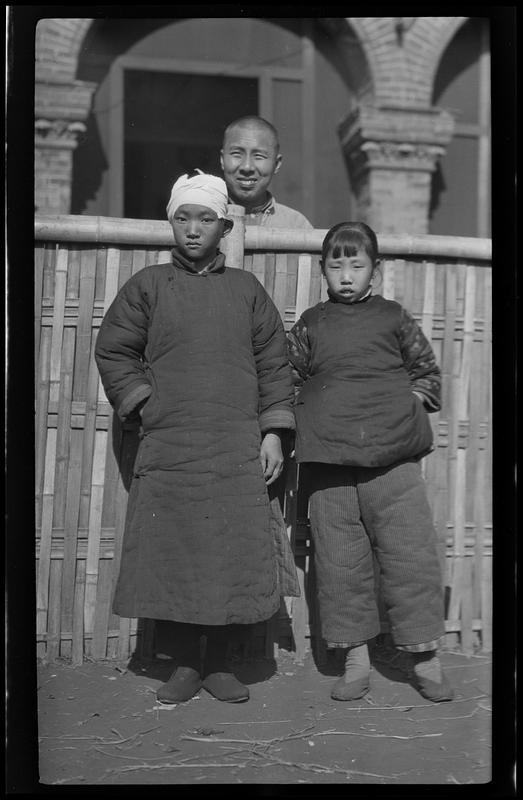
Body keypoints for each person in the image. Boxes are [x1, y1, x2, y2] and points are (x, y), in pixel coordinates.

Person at [95, 171, 298, 705]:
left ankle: (223, 665)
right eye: (183, 218)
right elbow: (114, 350)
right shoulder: (147, 287)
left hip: (236, 446)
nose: (193, 229)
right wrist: (146, 401)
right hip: (171, 444)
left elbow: (274, 364)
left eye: (205, 219)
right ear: (170, 222)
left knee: (231, 553)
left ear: (224, 226)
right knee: (177, 552)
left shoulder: (247, 291)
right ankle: (183, 663)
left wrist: (273, 432)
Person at [287, 221, 454, 703]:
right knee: (340, 562)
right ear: (322, 270)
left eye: (356, 266)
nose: (345, 275)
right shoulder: (311, 324)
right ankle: (356, 659)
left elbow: (426, 372)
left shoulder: (394, 318)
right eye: (335, 265)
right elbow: (287, 377)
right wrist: (311, 415)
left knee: (411, 557)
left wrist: (406, 408)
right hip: (329, 464)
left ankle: (425, 657)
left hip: (393, 461)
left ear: (374, 271)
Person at [220, 115, 313, 229]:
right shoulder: (202, 217)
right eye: (237, 154)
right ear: (222, 159)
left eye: (259, 156)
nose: (247, 167)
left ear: (277, 164)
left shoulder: (295, 224)